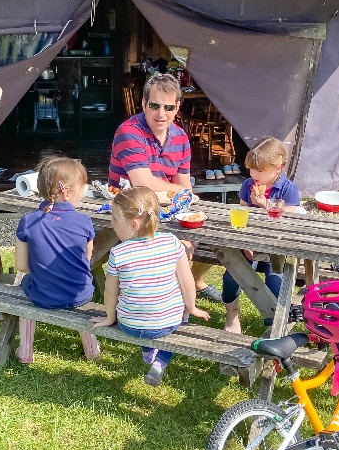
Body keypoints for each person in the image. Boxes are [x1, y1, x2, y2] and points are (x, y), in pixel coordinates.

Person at [108, 71, 222, 303]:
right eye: (155, 105)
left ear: (177, 107)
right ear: (143, 104)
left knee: (217, 236)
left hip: (167, 208)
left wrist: (182, 194)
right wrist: (182, 193)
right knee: (179, 246)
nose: (162, 114)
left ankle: (186, 294)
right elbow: (143, 184)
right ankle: (167, 308)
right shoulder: (129, 132)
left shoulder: (180, 136)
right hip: (130, 208)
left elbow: (183, 186)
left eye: (168, 108)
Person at [90, 187, 209, 386]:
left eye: (115, 220)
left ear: (134, 224)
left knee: (140, 306)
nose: (112, 224)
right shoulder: (171, 242)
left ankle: (147, 352)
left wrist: (110, 318)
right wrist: (191, 307)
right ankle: (161, 361)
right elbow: (187, 280)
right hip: (166, 323)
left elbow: (111, 292)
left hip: (130, 325)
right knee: (182, 315)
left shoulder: (118, 253)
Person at [14, 156, 101, 364]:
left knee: (25, 287)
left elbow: (21, 265)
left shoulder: (28, 221)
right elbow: (87, 259)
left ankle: (25, 351)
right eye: (83, 187)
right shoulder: (84, 221)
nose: (85, 191)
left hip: (43, 295)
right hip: (80, 293)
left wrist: (43, 272)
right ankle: (93, 351)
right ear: (67, 192)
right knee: (77, 292)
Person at [222, 137, 305, 335]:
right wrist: (245, 244)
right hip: (251, 243)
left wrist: (262, 204)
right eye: (251, 169)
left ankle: (273, 322)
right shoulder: (248, 185)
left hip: (277, 247)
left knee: (275, 282)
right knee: (232, 275)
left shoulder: (288, 189)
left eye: (260, 170)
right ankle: (232, 312)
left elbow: (289, 220)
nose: (254, 174)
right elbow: (242, 217)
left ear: (277, 169)